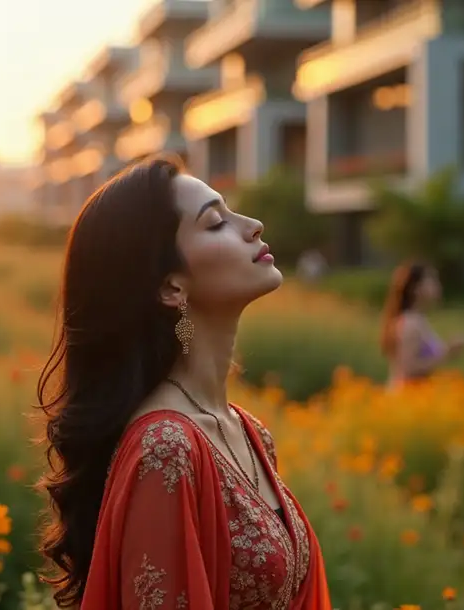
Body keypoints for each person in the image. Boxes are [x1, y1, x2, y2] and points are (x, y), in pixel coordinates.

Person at [35, 156, 332, 609]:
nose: (252, 225)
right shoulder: (165, 446)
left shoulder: (249, 433)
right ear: (171, 287)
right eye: (215, 223)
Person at [379, 261, 464, 387]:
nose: (438, 286)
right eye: (432, 281)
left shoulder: (418, 320)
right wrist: (447, 353)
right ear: (415, 289)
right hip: (405, 400)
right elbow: (408, 369)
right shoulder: (410, 324)